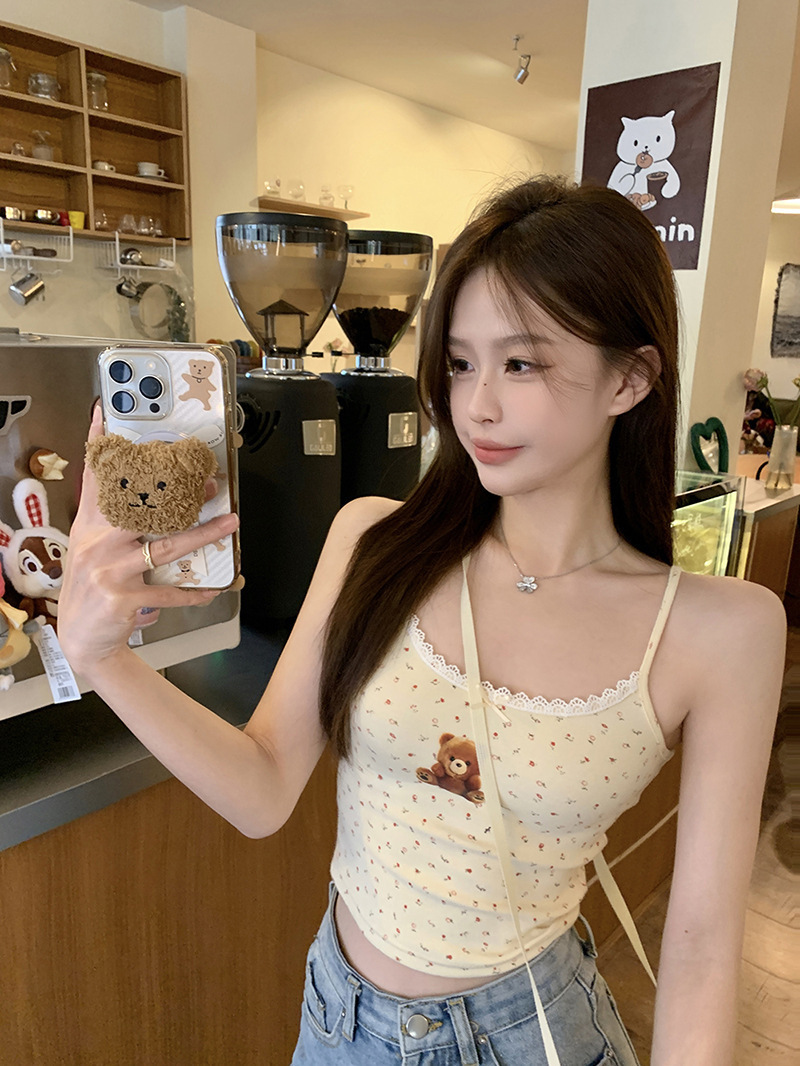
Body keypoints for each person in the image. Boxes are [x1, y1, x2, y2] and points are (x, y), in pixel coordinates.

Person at [59, 175, 786, 1066]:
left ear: (630, 378)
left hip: (529, 1037)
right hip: (338, 1023)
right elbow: (262, 788)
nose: (476, 406)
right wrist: (103, 658)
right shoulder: (374, 542)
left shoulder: (720, 631)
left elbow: (703, 943)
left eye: (521, 364)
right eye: (460, 362)